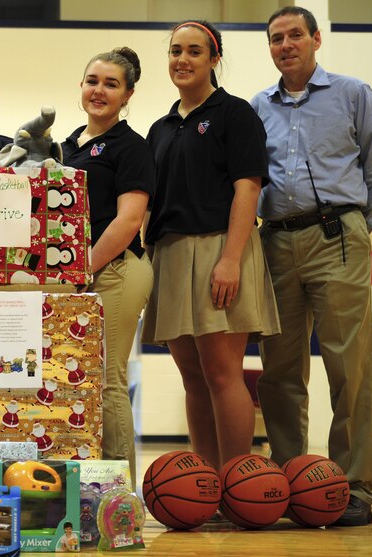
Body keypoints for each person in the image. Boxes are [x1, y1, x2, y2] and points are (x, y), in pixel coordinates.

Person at [251, 6, 372, 527]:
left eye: (294, 36)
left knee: (347, 366)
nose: (285, 45)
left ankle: (352, 487)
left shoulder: (353, 93)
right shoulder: (257, 106)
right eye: (275, 39)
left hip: (338, 236)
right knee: (280, 368)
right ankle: (287, 481)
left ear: (315, 39)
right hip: (276, 244)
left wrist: (357, 224)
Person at [141, 21, 280, 473]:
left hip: (220, 248)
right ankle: (204, 480)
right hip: (171, 255)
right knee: (194, 379)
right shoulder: (159, 128)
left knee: (223, 375)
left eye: (194, 51)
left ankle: (239, 480)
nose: (182, 59)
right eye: (176, 51)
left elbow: (248, 188)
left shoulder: (234, 113)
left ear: (214, 59)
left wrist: (230, 260)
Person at [61, 47, 154, 488]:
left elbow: (128, 221)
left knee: (108, 380)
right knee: (80, 382)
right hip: (78, 277)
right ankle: (86, 490)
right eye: (92, 80)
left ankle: (119, 497)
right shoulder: (67, 145)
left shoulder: (131, 147)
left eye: (111, 84)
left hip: (115, 270)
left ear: (128, 93)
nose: (99, 90)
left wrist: (82, 269)